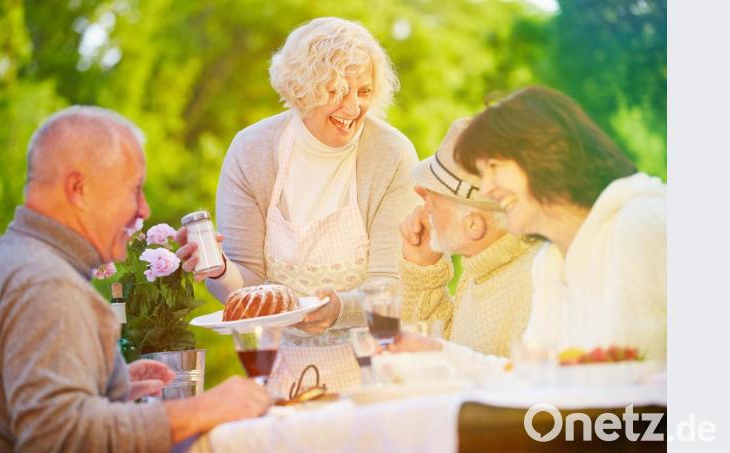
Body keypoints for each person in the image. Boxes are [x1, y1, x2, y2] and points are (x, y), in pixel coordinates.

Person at [0, 106, 272, 452]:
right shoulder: (48, 284)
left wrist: (106, 389)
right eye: (134, 190)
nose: (143, 210)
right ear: (78, 188)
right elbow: (59, 437)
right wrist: (200, 410)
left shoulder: (5, 259)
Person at [176, 17, 420, 395]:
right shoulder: (251, 151)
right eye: (336, 91)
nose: (353, 107)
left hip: (378, 372)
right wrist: (220, 268)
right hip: (283, 373)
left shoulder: (391, 154)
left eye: (364, 91)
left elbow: (392, 284)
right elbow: (248, 290)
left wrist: (339, 310)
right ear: (302, 89)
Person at [454, 85, 666, 360]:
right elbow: (531, 374)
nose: (486, 188)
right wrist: (438, 353)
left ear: (545, 153)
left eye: (494, 166)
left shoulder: (640, 223)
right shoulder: (549, 262)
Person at [393, 118, 541, 358]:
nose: (423, 205)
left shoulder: (534, 285)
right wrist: (423, 271)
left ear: (473, 225)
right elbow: (440, 356)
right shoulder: (480, 267)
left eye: (433, 197)